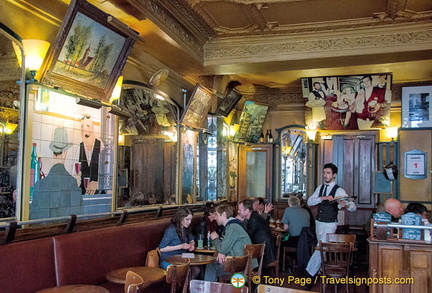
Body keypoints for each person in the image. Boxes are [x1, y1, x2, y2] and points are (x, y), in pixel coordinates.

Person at [305, 163, 357, 279]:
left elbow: (352, 206)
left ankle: (309, 275)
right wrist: (322, 198)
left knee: (320, 247)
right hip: (319, 222)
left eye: (328, 173)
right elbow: (309, 202)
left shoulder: (339, 190)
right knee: (321, 249)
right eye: (324, 173)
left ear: (334, 175)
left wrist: (346, 205)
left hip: (330, 224)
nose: (325, 175)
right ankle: (320, 271)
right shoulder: (320, 188)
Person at [30, 127, 81, 219]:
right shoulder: (72, 183)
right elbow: (78, 215)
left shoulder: (40, 185)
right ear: (65, 153)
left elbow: (33, 216)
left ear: (52, 153)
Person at [204, 204, 255, 281]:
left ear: (224, 214)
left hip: (239, 265)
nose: (215, 218)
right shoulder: (234, 225)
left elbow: (223, 249)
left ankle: (208, 290)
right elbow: (225, 247)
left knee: (211, 267)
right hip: (243, 262)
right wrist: (222, 252)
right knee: (213, 264)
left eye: (217, 215)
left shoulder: (232, 227)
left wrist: (215, 239)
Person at [237, 199, 276, 267]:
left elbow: (247, 237)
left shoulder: (254, 219)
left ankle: (245, 273)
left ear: (247, 211)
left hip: (264, 253)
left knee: (239, 252)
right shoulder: (254, 216)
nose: (238, 212)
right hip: (264, 249)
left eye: (240, 210)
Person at [158, 207, 197, 273]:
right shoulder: (171, 230)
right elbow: (161, 248)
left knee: (196, 269)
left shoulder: (185, 228)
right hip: (168, 259)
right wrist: (181, 246)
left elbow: (192, 239)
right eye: (187, 219)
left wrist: (192, 245)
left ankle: (186, 283)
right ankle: (182, 283)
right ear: (180, 218)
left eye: (191, 219)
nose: (189, 222)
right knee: (187, 271)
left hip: (181, 258)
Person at [76, 114, 103, 195]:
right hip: (83, 193)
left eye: (87, 126)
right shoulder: (79, 147)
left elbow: (109, 173)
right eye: (82, 127)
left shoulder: (101, 146)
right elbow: (75, 173)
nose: (84, 130)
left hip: (98, 193)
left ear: (92, 128)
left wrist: (98, 183)